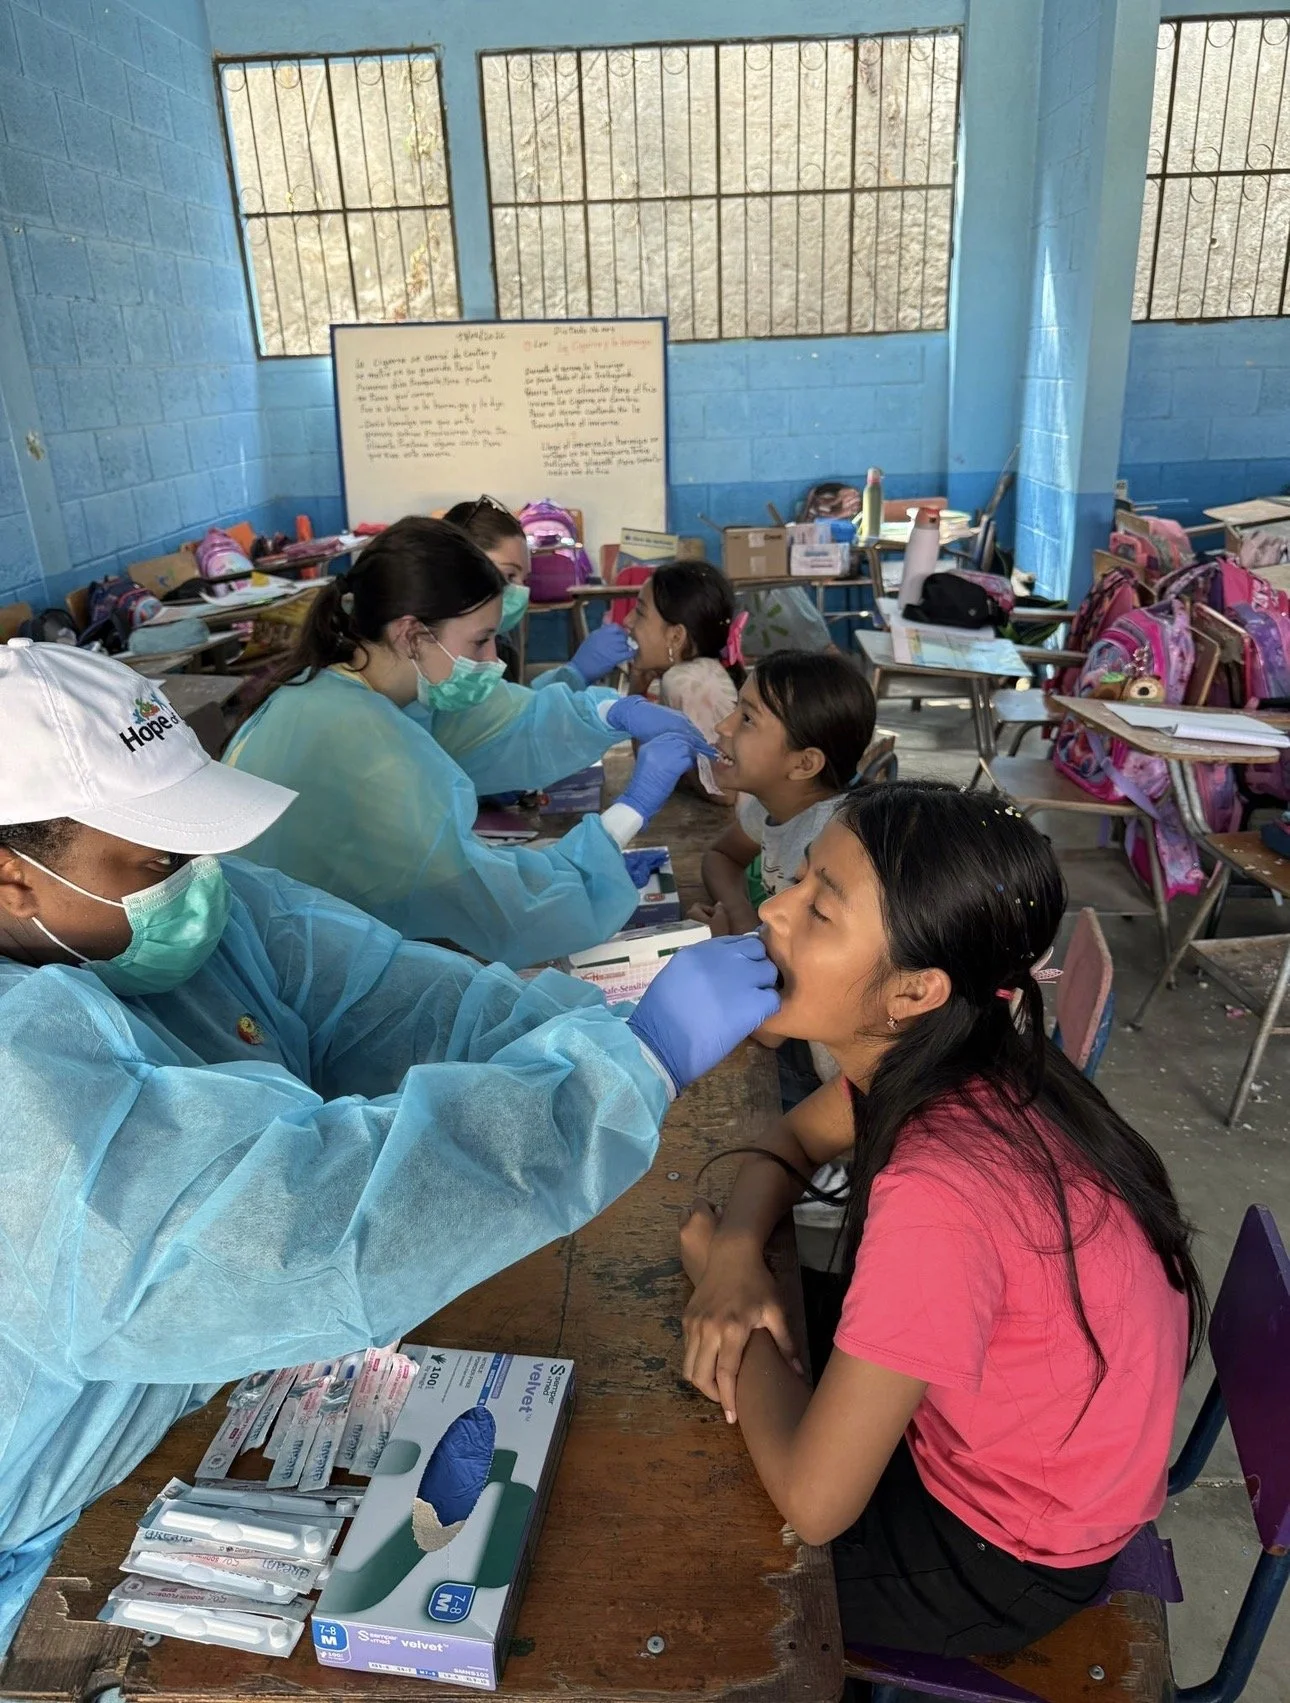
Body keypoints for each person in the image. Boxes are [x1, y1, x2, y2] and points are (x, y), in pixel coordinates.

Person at [0, 639, 780, 1655]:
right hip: (52, 1517)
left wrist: (601, 1029)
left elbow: (393, 996)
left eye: (196, 847)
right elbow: (296, 1226)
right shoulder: (20, 1085)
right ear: (13, 878)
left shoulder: (207, 918)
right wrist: (617, 1077)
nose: (197, 882)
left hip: (193, 1395)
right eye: (158, 862)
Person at [678, 782, 1204, 1659]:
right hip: (1023, 1449)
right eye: (799, 880)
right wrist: (735, 1254)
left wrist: (730, 1306)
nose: (773, 909)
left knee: (692, 1557)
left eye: (820, 909)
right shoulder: (963, 1053)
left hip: (997, 1553)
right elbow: (789, 1137)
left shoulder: (942, 1189)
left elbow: (815, 1500)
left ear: (914, 990)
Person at [224, 517, 712, 968]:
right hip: (284, 972)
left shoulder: (340, 688)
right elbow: (508, 908)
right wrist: (627, 815)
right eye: (480, 641)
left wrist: (610, 711)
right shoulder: (369, 750)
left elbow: (503, 724)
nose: (493, 659)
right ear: (411, 635)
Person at [695, 651, 877, 939]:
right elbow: (722, 856)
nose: (723, 726)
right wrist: (740, 914)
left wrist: (728, 944)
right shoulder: (775, 801)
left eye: (747, 719)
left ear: (804, 764)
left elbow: (798, 958)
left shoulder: (826, 846)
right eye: (735, 708)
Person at [443, 495, 632, 691]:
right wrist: (575, 674)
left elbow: (512, 703)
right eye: (508, 575)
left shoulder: (502, 647)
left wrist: (573, 675)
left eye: (525, 580)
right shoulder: (440, 651)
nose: (520, 592)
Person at [623, 562, 746, 803]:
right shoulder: (684, 673)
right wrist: (637, 688)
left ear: (676, 636)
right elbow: (648, 762)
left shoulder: (688, 681)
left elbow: (725, 792)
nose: (628, 621)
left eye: (640, 612)